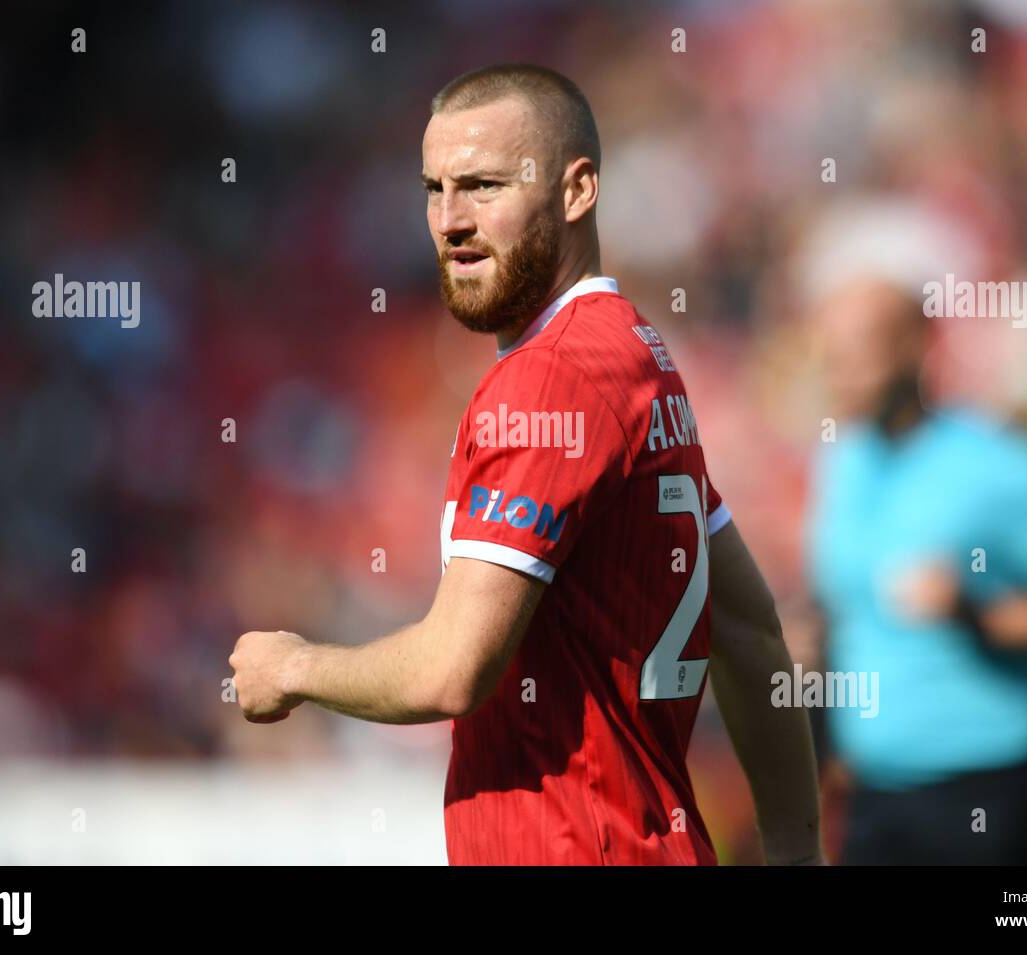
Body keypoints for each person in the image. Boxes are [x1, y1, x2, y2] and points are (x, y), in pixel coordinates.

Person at [229, 63, 823, 865]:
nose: (450, 220)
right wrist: (796, 848)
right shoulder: (634, 354)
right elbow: (749, 628)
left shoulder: (554, 379)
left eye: (483, 186)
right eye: (435, 188)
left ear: (577, 191)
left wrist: (294, 667)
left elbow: (452, 669)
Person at [807, 276, 1027, 865]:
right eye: (830, 354)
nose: (842, 372)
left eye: (860, 350)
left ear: (918, 344)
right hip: (875, 800)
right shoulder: (841, 462)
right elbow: (846, 615)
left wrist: (980, 615)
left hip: (987, 798)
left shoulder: (998, 463)